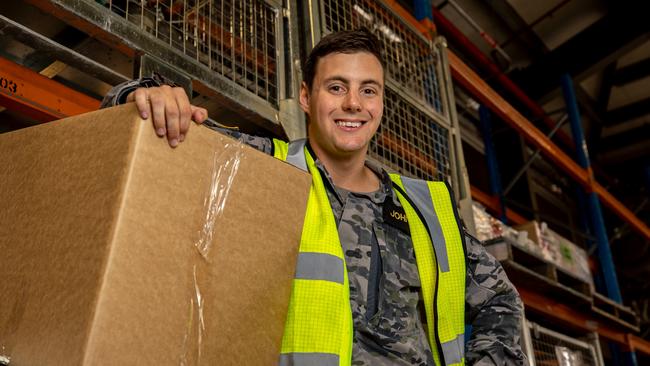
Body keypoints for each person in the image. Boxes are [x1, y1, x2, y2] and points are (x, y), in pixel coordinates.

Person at [102, 28, 526, 366]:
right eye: (337, 87)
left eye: (368, 90)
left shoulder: (426, 205)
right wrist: (146, 95)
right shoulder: (268, 169)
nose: (354, 104)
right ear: (306, 97)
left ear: (381, 103)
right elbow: (142, 126)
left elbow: (500, 300)